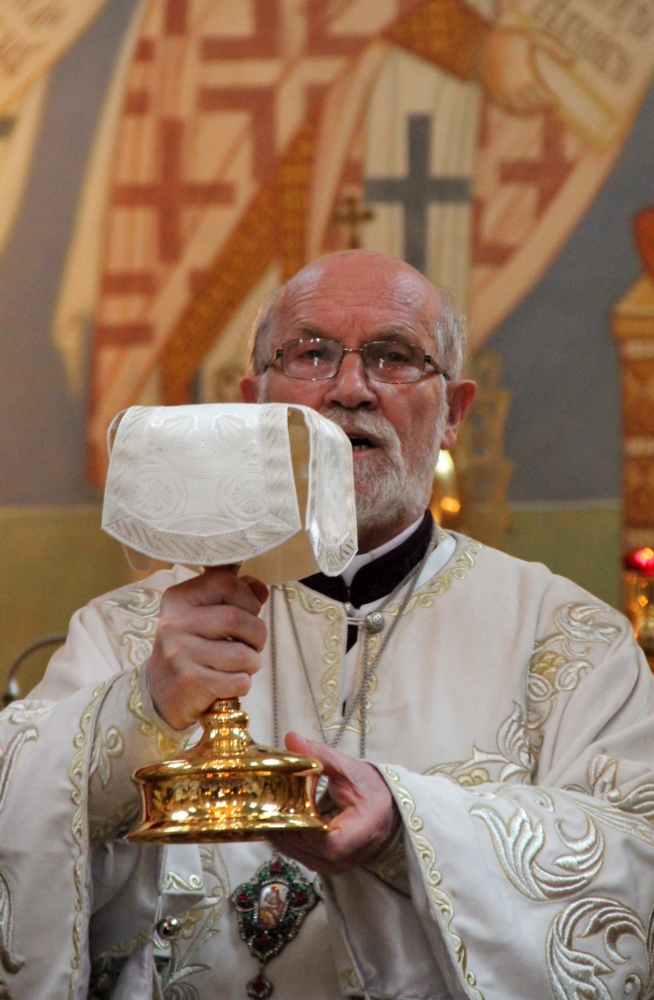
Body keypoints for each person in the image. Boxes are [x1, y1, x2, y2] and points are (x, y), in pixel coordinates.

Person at [2, 251, 654, 1000]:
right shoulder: (126, 634)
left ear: (454, 413)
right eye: (311, 354)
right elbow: (16, 817)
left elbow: (630, 864)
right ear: (256, 401)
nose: (351, 389)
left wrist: (409, 828)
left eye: (394, 357)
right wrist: (139, 708)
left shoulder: (569, 639)